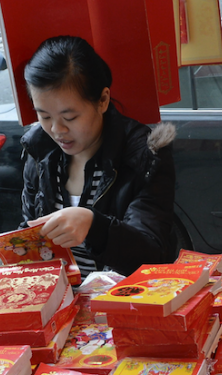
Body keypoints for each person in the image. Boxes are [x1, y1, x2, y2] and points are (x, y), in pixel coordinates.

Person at [20, 35, 176, 278]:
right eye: (45, 117)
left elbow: (152, 254)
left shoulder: (143, 155)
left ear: (102, 100)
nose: (56, 130)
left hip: (124, 303)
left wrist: (94, 225)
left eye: (70, 118)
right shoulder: (40, 150)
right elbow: (31, 232)